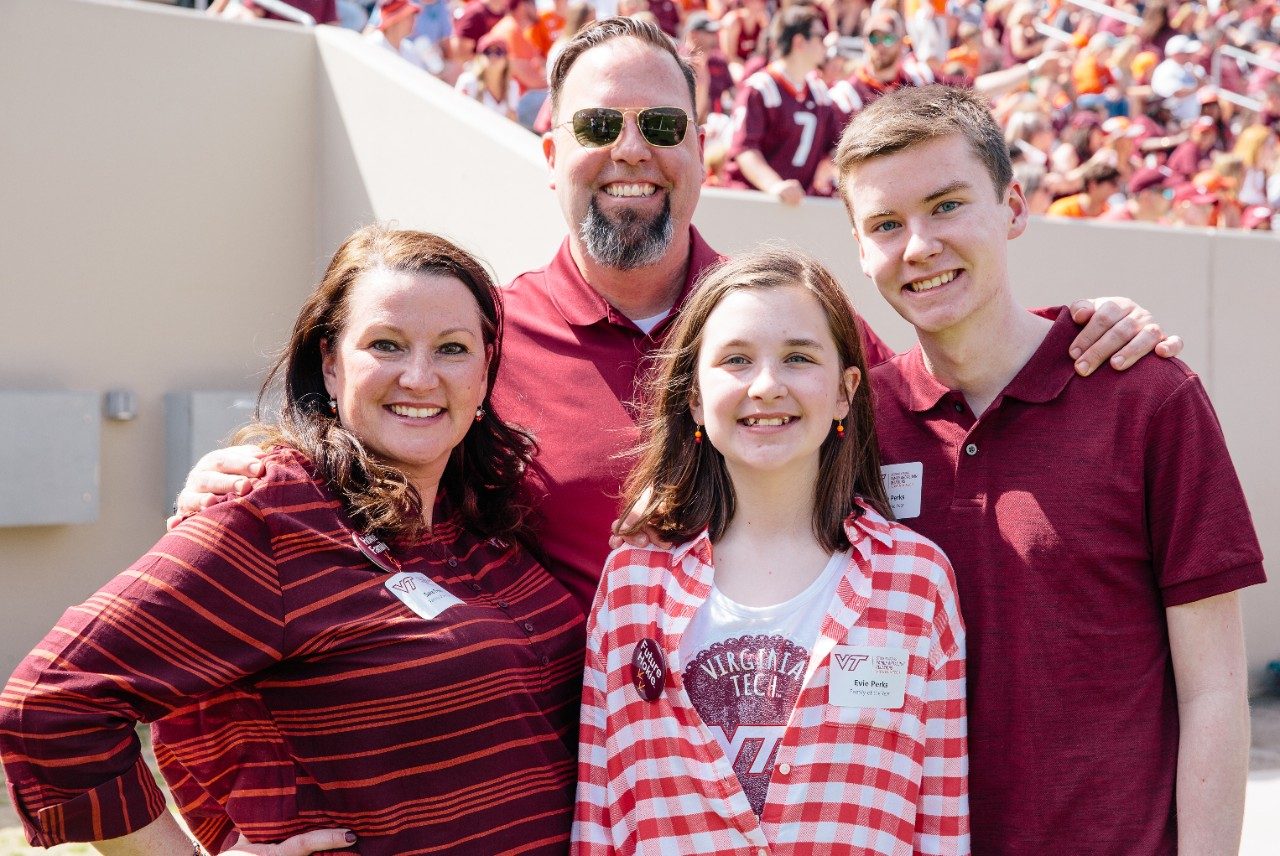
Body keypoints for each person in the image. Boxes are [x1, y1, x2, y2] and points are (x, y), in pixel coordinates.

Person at [176, 20, 1181, 616]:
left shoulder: (788, 324)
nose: (630, 150)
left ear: (703, 150)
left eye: (661, 127)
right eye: (597, 127)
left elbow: (939, 403)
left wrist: (1072, 328)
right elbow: (375, 452)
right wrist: (251, 471)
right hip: (569, 794)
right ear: (548, 146)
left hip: (800, 783)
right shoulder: (482, 343)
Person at [0, 227, 586, 855]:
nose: (420, 376)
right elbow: (52, 703)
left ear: (485, 372)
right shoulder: (273, 513)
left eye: (452, 348)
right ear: (331, 366)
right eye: (385, 344)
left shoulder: (486, 517)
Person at [834, 83, 1264, 855]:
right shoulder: (856, 429)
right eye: (886, 225)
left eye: (947, 205)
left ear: (1015, 207)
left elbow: (1215, 692)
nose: (920, 244)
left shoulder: (1148, 398)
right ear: (861, 252)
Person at [572, 249, 968, 854]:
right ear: (697, 401)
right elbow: (599, 817)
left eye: (798, 358)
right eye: (736, 360)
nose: (766, 386)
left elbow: (941, 821)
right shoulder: (634, 581)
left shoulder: (915, 581)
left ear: (845, 392)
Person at [724, 6, 844, 204]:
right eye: (820, 37)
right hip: (752, 202)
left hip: (795, 205)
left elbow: (835, 147)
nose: (826, 44)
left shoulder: (819, 92)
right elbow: (745, 150)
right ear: (799, 42)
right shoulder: (760, 88)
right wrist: (774, 186)